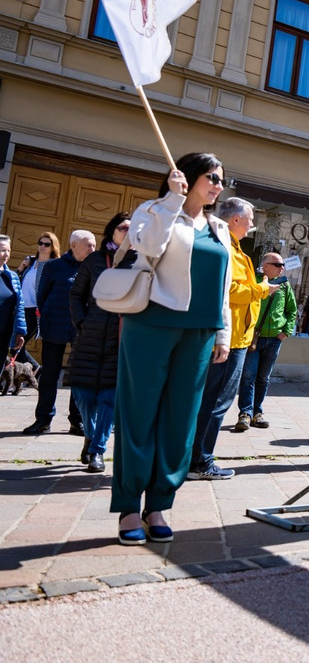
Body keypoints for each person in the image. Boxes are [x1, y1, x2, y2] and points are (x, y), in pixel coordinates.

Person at [112, 152, 233, 546]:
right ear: (187, 176)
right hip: (150, 323)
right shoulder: (153, 209)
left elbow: (224, 286)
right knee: (138, 413)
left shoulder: (219, 227)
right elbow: (147, 246)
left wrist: (223, 335)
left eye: (221, 180)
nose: (217, 185)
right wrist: (172, 202)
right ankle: (130, 505)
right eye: (212, 177)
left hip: (198, 333)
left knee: (181, 421)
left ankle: (159, 504)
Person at [188, 198, 277, 480]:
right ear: (235, 220)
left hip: (236, 337)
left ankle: (194, 459)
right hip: (227, 339)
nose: (253, 224)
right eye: (250, 218)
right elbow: (232, 291)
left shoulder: (235, 248)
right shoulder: (224, 247)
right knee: (216, 403)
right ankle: (200, 462)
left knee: (211, 401)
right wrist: (262, 289)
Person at [68, 213, 130, 473]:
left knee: (108, 398)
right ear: (111, 231)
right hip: (90, 337)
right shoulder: (95, 260)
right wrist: (82, 322)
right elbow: (76, 294)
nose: (128, 232)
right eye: (123, 228)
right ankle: (92, 436)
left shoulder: (139, 261)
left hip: (120, 340)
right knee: (82, 394)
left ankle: (97, 450)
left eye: (132, 229)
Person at [24, 229, 95, 435]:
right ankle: (43, 420)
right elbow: (41, 295)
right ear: (74, 245)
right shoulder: (54, 267)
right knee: (49, 376)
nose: (93, 249)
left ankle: (77, 421)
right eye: (88, 245)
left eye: (94, 244)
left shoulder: (94, 267)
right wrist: (47, 315)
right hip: (54, 326)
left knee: (78, 376)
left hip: (82, 330)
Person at [233, 251, 297, 432]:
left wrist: (285, 332)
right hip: (254, 337)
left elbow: (291, 310)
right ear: (266, 266)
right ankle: (244, 414)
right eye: (278, 265)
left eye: (283, 265)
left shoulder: (284, 285)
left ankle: (257, 413)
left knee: (263, 378)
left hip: (274, 339)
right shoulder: (253, 281)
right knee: (248, 377)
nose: (282, 268)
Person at [16, 230, 58, 370]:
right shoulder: (31, 261)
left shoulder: (53, 266)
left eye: (47, 244)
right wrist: (21, 267)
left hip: (35, 310)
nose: (43, 246)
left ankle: (32, 370)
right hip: (20, 307)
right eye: (41, 243)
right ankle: (34, 370)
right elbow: (16, 280)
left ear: (53, 247)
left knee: (18, 343)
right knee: (15, 343)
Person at [0, 236, 29, 387]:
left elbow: (19, 306)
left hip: (4, 336)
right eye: (2, 250)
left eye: (8, 251)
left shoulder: (12, 277)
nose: (6, 254)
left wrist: (20, 331)